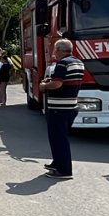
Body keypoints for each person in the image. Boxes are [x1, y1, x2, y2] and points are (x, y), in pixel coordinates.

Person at [38, 39, 85, 180]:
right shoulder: (78, 62)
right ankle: (57, 163)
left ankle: (64, 170)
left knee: (59, 139)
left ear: (59, 50)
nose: (53, 53)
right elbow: (66, 81)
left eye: (54, 50)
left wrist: (44, 86)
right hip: (71, 106)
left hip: (59, 107)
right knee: (59, 137)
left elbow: (57, 84)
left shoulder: (63, 64)